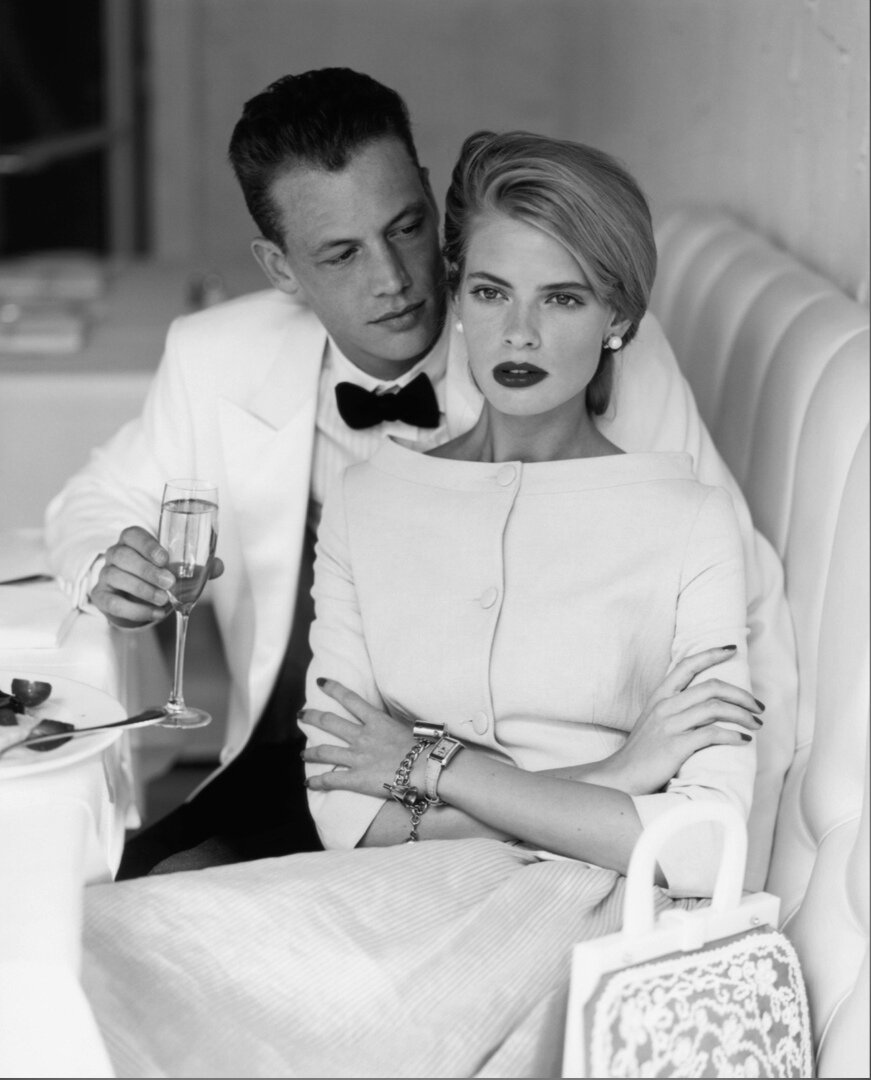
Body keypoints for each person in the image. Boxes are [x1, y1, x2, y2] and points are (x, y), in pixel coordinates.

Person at [79, 130, 765, 1079]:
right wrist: (618, 775)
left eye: (561, 298)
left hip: (587, 933)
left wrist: (425, 766)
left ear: (617, 315)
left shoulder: (689, 519)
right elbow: (343, 818)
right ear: (458, 297)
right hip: (391, 897)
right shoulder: (367, 502)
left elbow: (700, 848)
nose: (518, 333)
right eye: (489, 292)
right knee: (88, 943)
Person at [44, 67, 795, 884]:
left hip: (531, 799)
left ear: (433, 204)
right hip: (315, 755)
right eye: (341, 254)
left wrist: (735, 858)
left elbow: (735, 600)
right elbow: (96, 498)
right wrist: (109, 563)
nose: (394, 279)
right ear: (281, 268)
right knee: (109, 891)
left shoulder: (581, 358)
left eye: (405, 228)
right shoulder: (217, 356)